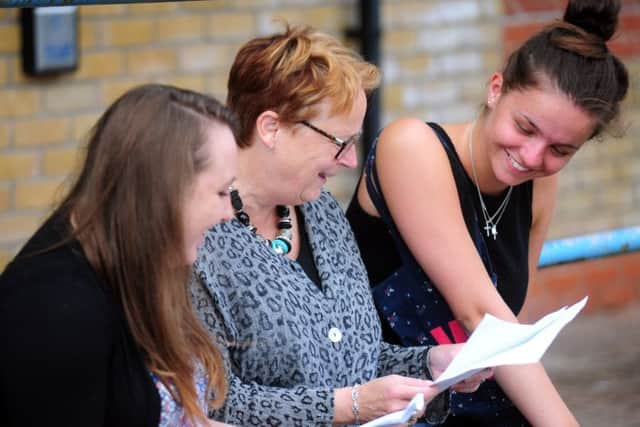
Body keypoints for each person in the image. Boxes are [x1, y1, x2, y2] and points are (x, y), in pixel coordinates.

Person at [189, 25, 491, 427]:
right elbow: (212, 403)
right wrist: (349, 407)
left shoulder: (320, 211)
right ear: (271, 128)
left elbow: (357, 358)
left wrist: (429, 363)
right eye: (340, 141)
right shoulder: (197, 237)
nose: (351, 161)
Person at [346, 0, 629, 426]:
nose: (532, 156)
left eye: (560, 149)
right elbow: (481, 315)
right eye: (526, 128)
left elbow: (512, 328)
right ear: (495, 88)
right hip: (387, 407)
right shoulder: (412, 148)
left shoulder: (538, 183)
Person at [0, 84, 239, 427]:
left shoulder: (143, 258)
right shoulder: (52, 310)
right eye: (220, 192)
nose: (228, 212)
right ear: (166, 191)